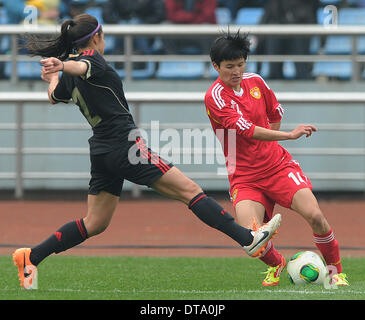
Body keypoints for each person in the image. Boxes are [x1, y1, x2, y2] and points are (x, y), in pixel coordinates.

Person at [12, 14, 282, 290]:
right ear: (97, 37)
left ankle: (30, 256)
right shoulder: (93, 60)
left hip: (102, 151)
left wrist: (55, 75)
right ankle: (249, 239)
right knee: (190, 191)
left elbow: (55, 95)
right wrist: (65, 65)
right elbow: (83, 65)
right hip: (124, 145)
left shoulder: (73, 72)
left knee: (95, 223)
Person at [205, 30, 349, 286]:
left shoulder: (257, 82)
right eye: (229, 67)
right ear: (216, 66)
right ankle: (277, 263)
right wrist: (289, 136)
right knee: (250, 237)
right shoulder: (215, 97)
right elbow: (246, 130)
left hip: (278, 167)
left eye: (240, 64)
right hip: (245, 176)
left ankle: (335, 272)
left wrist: (273, 144)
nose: (236, 71)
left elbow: (274, 113)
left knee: (315, 216)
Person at [257, 0, 320, 80]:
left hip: (301, 26)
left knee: (302, 70)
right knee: (274, 70)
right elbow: (270, 9)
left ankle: (304, 88)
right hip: (277, 25)